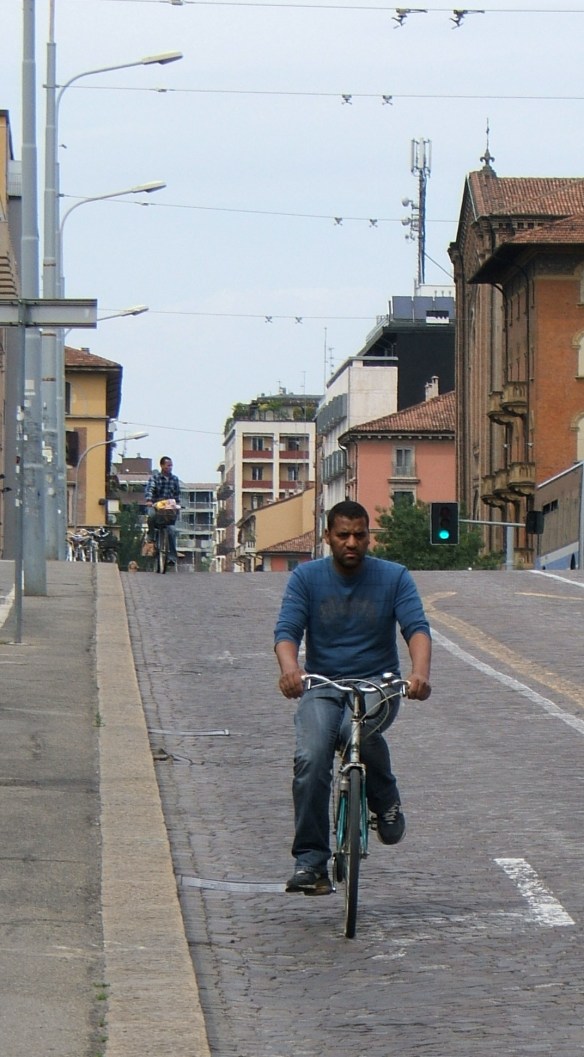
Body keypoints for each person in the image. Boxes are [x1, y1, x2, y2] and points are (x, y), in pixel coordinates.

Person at [274, 499, 432, 896]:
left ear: (368, 537)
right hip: (322, 685)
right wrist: (291, 669)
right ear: (327, 536)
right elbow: (287, 630)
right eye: (343, 535)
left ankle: (384, 795)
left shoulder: (394, 577)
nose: (351, 543)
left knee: (355, 730)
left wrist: (419, 674)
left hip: (378, 684)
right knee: (311, 758)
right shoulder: (306, 578)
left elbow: (416, 627)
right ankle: (311, 862)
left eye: (359, 535)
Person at [144, 456, 181, 565]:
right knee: (151, 516)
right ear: (162, 465)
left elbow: (177, 493)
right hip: (156, 505)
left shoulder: (175, 479)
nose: (170, 467)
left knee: (172, 531)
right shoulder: (155, 478)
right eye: (168, 465)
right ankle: (151, 537)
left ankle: (172, 557)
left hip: (168, 508)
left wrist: (177, 504)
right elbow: (150, 489)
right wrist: (149, 500)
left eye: (171, 465)